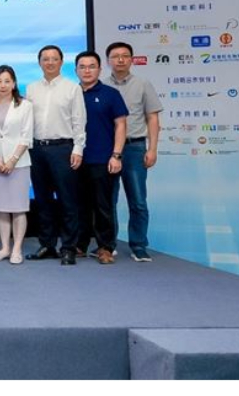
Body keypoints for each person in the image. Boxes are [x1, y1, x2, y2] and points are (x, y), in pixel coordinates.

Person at [25, 45, 87, 266]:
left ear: (61, 62)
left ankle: (68, 247)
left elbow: (79, 121)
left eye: (54, 59)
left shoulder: (72, 88)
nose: (50, 62)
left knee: (67, 200)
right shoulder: (31, 88)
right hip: (37, 149)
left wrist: (78, 149)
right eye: (45, 59)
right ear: (39, 62)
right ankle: (47, 245)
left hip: (63, 149)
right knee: (42, 200)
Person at [101, 41, 162, 262]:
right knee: (108, 201)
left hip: (135, 147)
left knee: (137, 200)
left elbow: (152, 118)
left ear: (132, 59)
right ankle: (108, 244)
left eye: (125, 56)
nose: (120, 60)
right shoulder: (100, 85)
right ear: (108, 61)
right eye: (115, 56)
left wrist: (152, 148)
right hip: (107, 149)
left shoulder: (143, 84)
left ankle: (138, 245)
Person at [74, 51, 129, 264]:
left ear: (99, 69)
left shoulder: (110, 94)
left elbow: (120, 125)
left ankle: (105, 247)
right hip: (76, 158)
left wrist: (116, 155)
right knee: (79, 205)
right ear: (76, 70)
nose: (87, 71)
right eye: (82, 67)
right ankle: (80, 245)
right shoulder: (72, 94)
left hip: (103, 159)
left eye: (91, 66)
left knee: (103, 206)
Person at [0, 65, 33, 265]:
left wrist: (11, 160)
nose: (3, 85)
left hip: (18, 163)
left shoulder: (24, 105)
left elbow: (27, 135)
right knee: (0, 207)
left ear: (14, 83)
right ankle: (4, 247)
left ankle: (17, 248)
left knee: (18, 208)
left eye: (7, 81)